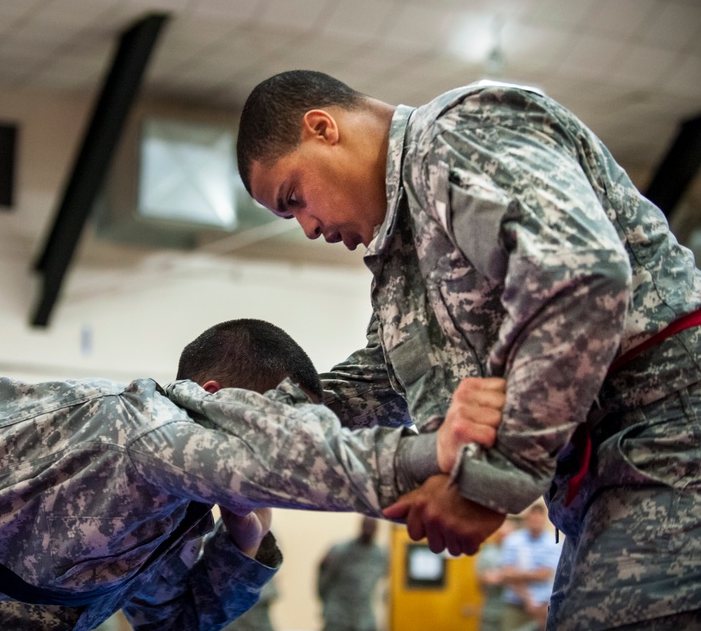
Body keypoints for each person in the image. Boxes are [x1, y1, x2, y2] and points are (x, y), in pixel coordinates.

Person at [235, 69, 701, 629]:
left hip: (672, 436)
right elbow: (370, 390)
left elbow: (580, 277)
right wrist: (224, 427)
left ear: (322, 128)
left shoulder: (456, 132)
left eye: (294, 199)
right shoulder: (402, 267)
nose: (308, 229)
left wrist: (488, 483)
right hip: (604, 483)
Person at [0, 318, 503, 631]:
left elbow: (178, 623)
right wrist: (427, 461)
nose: (273, 448)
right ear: (211, 401)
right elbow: (295, 454)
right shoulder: (134, 424)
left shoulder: (174, 514)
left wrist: (242, 536)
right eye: (271, 425)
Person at [316, 516, 388, 631]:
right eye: (366, 525)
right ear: (360, 526)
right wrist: (325, 604)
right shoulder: (340, 551)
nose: (369, 529)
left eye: (372, 526)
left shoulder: (380, 555)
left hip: (364, 619)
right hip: (338, 617)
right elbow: (323, 579)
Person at [498, 502, 562, 631]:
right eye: (533, 519)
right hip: (515, 605)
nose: (535, 522)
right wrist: (529, 599)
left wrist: (517, 574)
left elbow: (545, 575)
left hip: (543, 607)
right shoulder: (512, 540)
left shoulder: (552, 542)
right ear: (527, 519)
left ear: (544, 520)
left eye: (539, 520)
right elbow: (506, 573)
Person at [474, 516, 517, 631]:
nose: (506, 538)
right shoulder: (488, 553)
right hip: (491, 610)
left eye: (508, 535)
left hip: (514, 610)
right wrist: (510, 576)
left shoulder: (517, 553)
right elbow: (485, 578)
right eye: (503, 534)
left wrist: (501, 575)